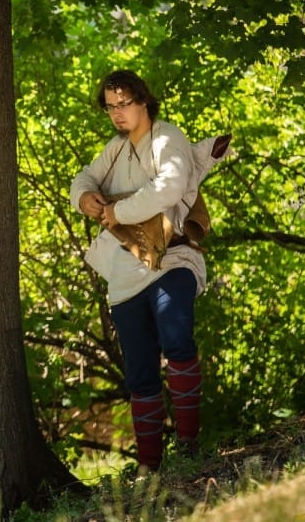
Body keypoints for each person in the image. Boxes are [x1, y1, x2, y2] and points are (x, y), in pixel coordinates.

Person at [69, 69, 211, 472]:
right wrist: (84, 199)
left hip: (173, 261)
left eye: (124, 104)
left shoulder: (168, 137)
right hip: (126, 275)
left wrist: (117, 211)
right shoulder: (114, 149)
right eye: (111, 106)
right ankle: (150, 467)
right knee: (140, 371)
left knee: (177, 338)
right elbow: (84, 178)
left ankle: (188, 448)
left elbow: (169, 187)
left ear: (143, 101)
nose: (117, 113)